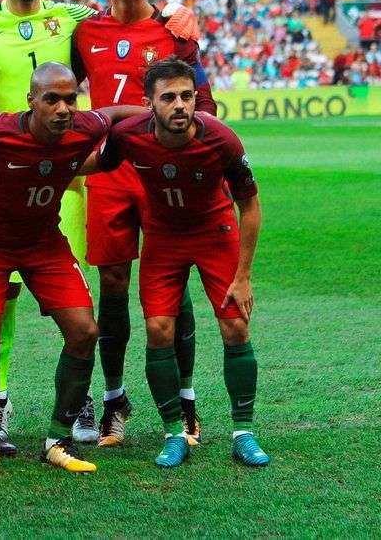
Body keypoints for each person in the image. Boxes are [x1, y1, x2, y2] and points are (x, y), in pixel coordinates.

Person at [0, 0, 200, 445]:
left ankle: (85, 398)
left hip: (67, 175)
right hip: (3, 172)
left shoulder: (74, 19)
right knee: (4, 297)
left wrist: (175, 11)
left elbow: (133, 16)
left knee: (77, 292)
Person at [0, 63, 145, 481]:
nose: (63, 109)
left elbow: (112, 115)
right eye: (52, 99)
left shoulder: (83, 126)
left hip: (43, 242)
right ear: (31, 101)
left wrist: (156, 115)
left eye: (70, 99)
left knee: (84, 331)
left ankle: (58, 440)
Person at [70, 0, 217, 448]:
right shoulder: (83, 32)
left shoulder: (174, 29)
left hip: (160, 172)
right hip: (109, 172)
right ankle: (114, 400)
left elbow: (205, 106)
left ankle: (187, 399)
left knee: (172, 282)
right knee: (112, 282)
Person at [97, 57, 268, 468]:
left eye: (187, 96)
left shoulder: (222, 140)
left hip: (215, 235)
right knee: (158, 331)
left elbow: (250, 206)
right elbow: (96, 163)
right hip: (163, 239)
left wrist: (243, 277)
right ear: (149, 103)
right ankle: (175, 432)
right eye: (169, 97)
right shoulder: (128, 136)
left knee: (235, 326)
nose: (180, 105)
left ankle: (244, 432)